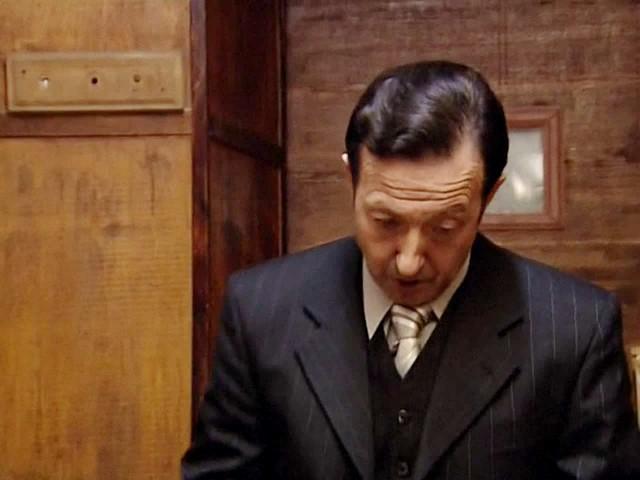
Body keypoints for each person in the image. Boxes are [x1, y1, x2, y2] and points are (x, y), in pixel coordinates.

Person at [182, 61, 638, 479]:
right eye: (385, 221)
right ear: (350, 179)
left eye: (444, 227)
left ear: (489, 197)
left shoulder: (575, 329)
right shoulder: (260, 310)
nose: (408, 261)